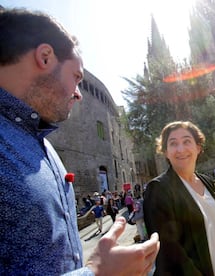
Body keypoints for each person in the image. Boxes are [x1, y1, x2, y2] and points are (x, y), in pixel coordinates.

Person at [0, 8, 159, 275]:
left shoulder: (45, 149)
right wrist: (96, 273)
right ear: (45, 57)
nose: (79, 94)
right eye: (76, 78)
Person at [144, 121, 215, 276]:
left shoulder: (207, 181)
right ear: (165, 151)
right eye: (173, 143)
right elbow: (169, 251)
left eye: (187, 141)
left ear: (198, 147)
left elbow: (205, 227)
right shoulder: (159, 189)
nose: (181, 149)